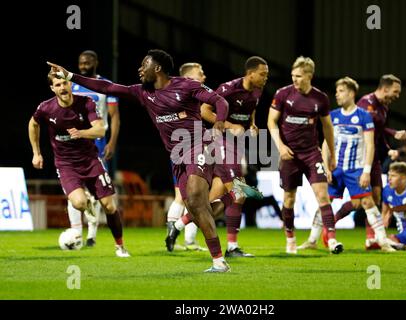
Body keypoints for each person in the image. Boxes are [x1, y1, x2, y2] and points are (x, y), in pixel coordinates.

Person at [47, 49, 232, 272]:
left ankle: (219, 262)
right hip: (176, 156)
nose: (139, 69)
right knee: (196, 208)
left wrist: (219, 125)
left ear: (158, 68)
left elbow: (220, 101)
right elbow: (107, 87)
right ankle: (230, 203)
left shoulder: (186, 86)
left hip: (198, 145)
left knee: (193, 197)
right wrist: (70, 76)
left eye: (144, 64)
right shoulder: (143, 92)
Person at [167, 57, 268, 257]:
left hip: (234, 146)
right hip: (218, 142)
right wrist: (230, 126)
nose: (266, 78)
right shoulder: (228, 88)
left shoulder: (257, 91)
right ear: (251, 74)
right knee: (238, 193)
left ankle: (179, 225)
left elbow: (251, 107)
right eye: (263, 74)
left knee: (217, 199)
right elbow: (205, 111)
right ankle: (231, 247)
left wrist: (252, 124)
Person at [28, 72, 129, 257]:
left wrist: (81, 133)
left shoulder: (86, 102)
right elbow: (33, 124)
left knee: (109, 206)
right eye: (57, 85)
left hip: (90, 160)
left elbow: (100, 130)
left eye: (64, 83)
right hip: (66, 165)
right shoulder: (46, 108)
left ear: (70, 84)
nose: (62, 87)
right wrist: (36, 153)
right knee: (79, 203)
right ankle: (88, 204)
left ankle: (120, 247)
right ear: (52, 88)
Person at [298, 77, 395, 252]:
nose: (337, 95)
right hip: (335, 169)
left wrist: (366, 171)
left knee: (367, 203)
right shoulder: (333, 116)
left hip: (355, 169)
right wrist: (326, 167)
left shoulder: (363, 116)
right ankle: (312, 240)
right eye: (336, 92)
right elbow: (326, 144)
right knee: (324, 201)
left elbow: (370, 144)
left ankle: (383, 241)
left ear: (351, 93)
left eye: (341, 91)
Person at [267, 56, 343, 254]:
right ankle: (290, 238)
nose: (295, 80)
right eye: (293, 76)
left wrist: (331, 156)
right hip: (289, 155)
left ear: (310, 76)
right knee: (289, 200)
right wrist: (281, 147)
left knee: (322, 196)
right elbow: (271, 122)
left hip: (311, 154)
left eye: (299, 76)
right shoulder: (283, 94)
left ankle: (332, 239)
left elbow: (327, 128)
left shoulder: (321, 98)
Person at [328, 74, 406, 249]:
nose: (397, 95)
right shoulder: (366, 103)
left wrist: (388, 149)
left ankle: (371, 238)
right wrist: (394, 132)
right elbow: (368, 131)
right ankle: (332, 222)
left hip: (375, 158)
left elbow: (377, 134)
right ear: (385, 88)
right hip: (359, 158)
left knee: (376, 197)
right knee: (360, 201)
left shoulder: (384, 108)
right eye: (396, 91)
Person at [67, 50, 121, 247]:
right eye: (81, 63)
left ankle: (91, 233)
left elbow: (114, 116)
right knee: (74, 187)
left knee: (96, 189)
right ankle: (75, 232)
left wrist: (112, 142)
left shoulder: (105, 85)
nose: (84, 65)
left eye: (88, 62)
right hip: (73, 142)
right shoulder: (71, 84)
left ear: (96, 62)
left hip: (97, 142)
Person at [166, 62, 207, 252]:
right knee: (186, 197)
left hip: (187, 147)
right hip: (185, 148)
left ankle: (182, 238)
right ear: (189, 77)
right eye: (201, 73)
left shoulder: (187, 93)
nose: (204, 76)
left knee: (189, 197)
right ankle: (177, 236)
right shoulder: (183, 93)